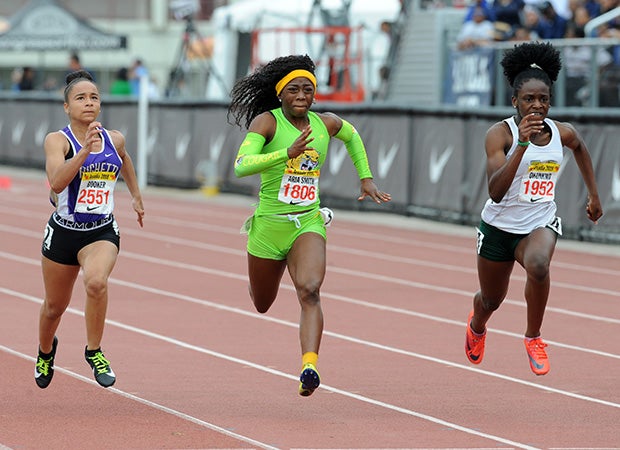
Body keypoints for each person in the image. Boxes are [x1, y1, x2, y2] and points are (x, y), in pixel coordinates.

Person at [227, 54, 391, 396]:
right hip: (269, 227)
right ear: (281, 94)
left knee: (310, 290)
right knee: (262, 302)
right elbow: (242, 166)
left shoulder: (326, 123)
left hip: (308, 221)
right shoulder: (266, 124)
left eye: (308, 90)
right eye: (294, 90)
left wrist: (366, 178)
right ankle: (259, 282)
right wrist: (284, 153)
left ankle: (309, 366)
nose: (302, 96)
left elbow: (352, 136)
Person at [464, 42, 603, 376]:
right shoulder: (501, 135)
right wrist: (522, 145)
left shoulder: (561, 132)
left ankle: (533, 337)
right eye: (529, 99)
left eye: (543, 99)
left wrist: (594, 196)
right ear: (515, 101)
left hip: (538, 223)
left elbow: (580, 147)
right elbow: (495, 192)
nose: (537, 106)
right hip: (498, 228)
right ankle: (477, 325)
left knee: (539, 265)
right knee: (490, 300)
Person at [34, 70, 145, 389]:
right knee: (55, 306)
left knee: (96, 283)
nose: (89, 102)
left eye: (94, 97)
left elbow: (124, 159)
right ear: (67, 107)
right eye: (80, 98)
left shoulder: (114, 137)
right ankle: (45, 351)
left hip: (101, 231)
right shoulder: (57, 141)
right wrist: (84, 152)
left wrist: (136, 195)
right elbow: (56, 182)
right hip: (64, 231)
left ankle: (94, 350)